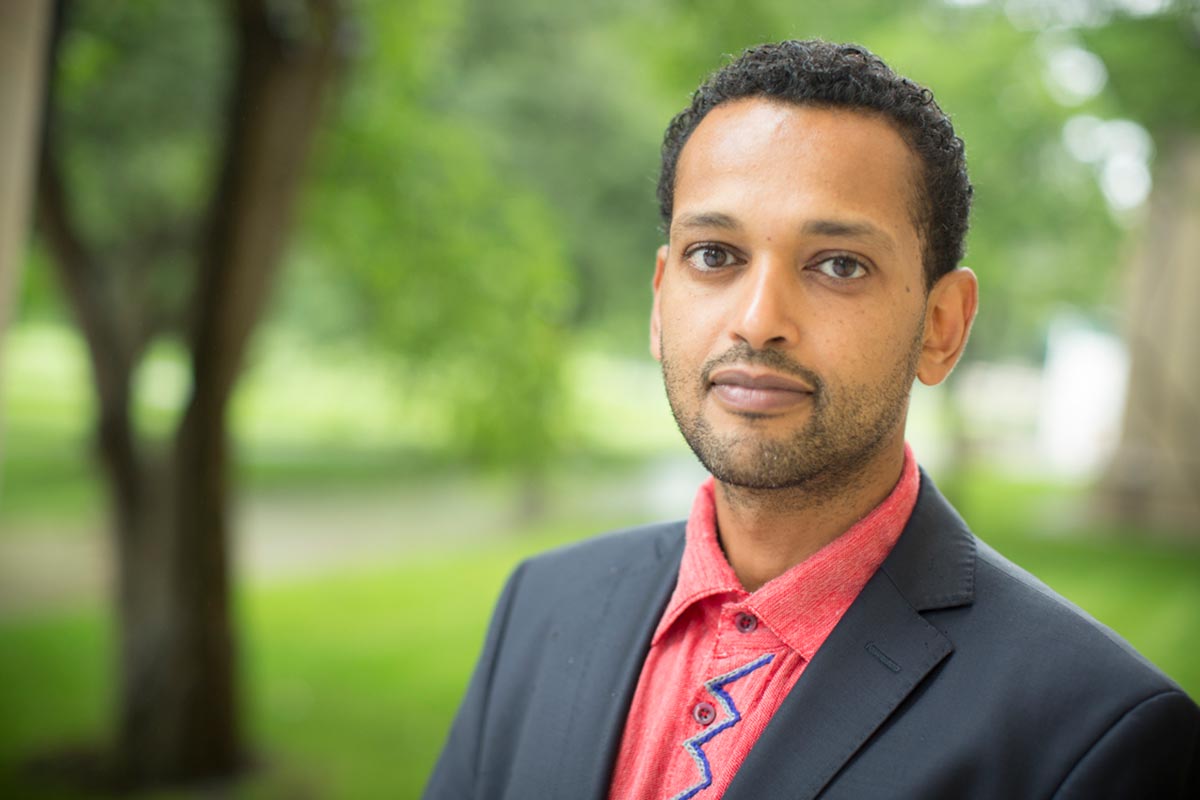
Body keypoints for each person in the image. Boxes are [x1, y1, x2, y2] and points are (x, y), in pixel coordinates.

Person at [422, 40, 1199, 800]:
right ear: (660, 300)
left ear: (941, 326)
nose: (759, 323)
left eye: (838, 265)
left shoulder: (1095, 733)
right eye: (715, 255)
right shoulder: (543, 606)